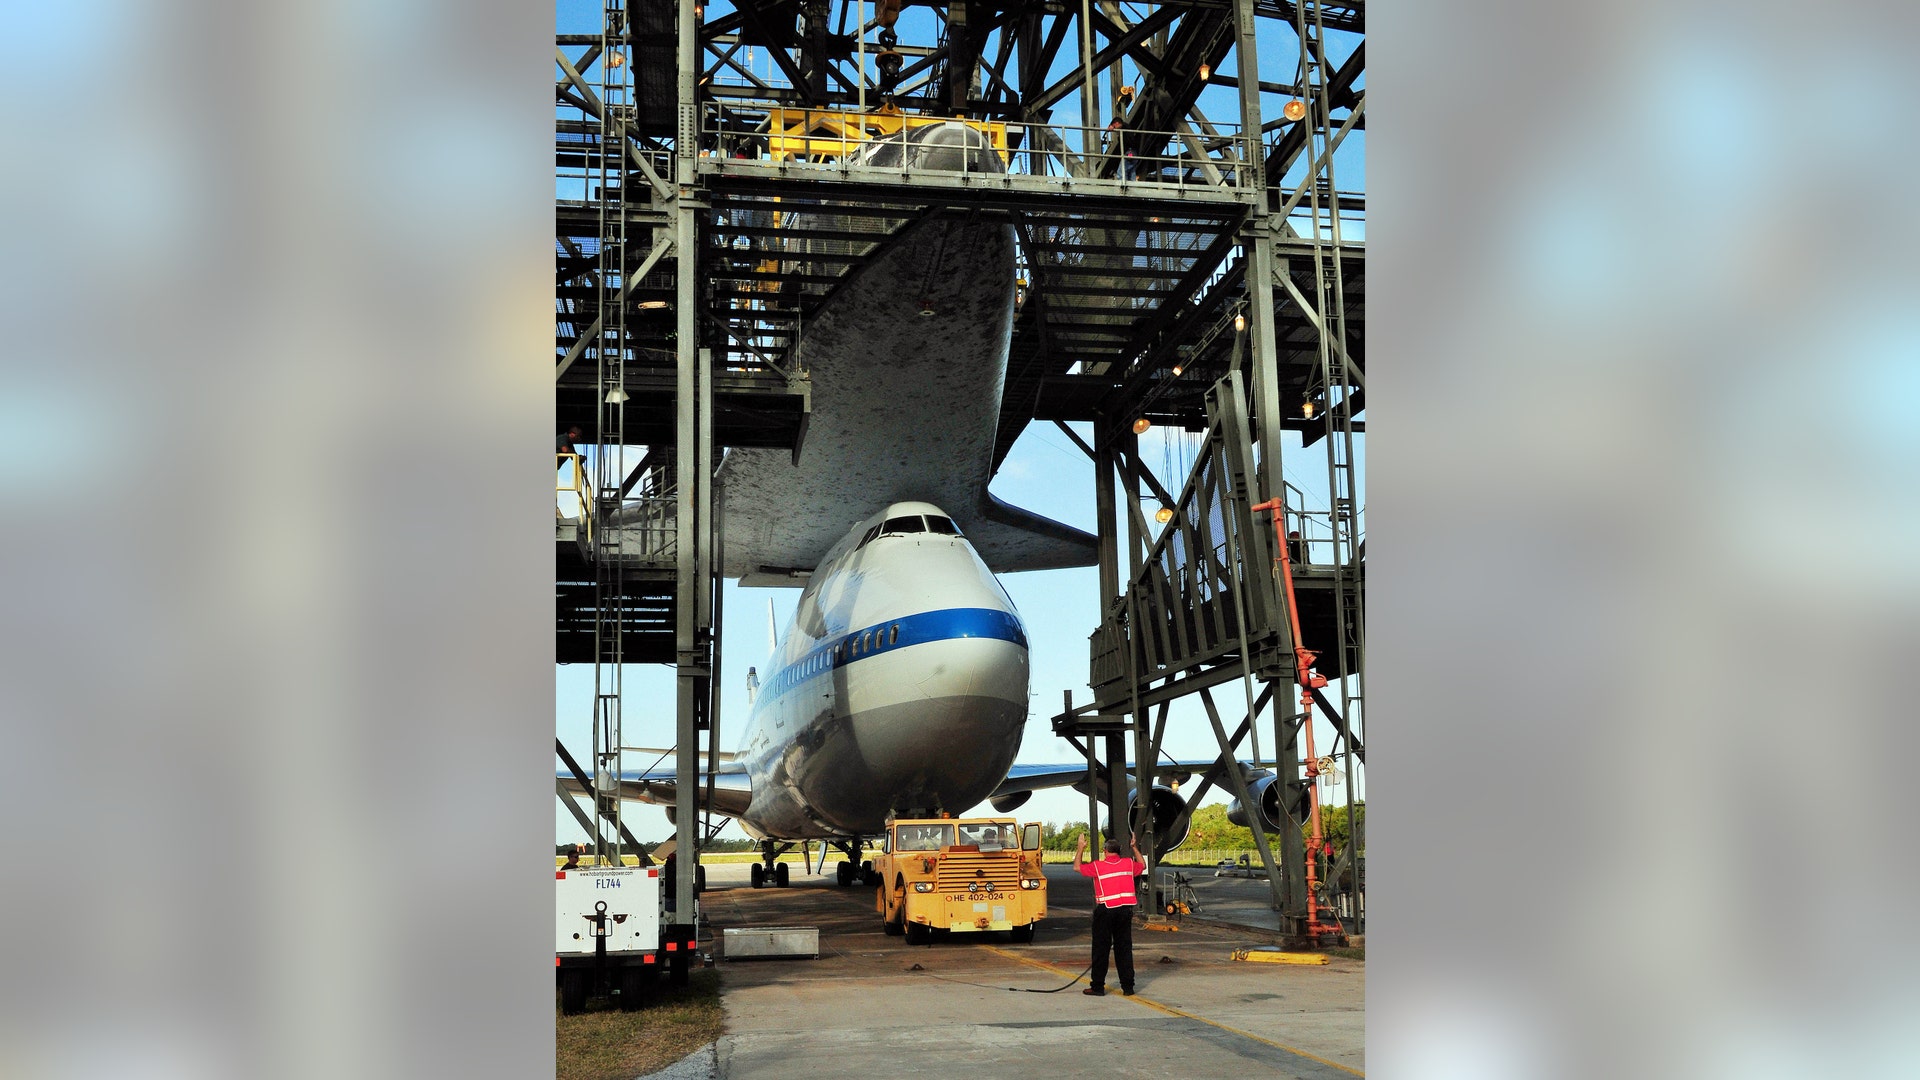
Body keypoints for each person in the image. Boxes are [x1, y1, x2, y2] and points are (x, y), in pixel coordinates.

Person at [1074, 832, 1145, 996]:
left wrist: (1080, 848)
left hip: (1105, 911)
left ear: (1105, 851)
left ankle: (1098, 986)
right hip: (1124, 912)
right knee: (1124, 949)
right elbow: (1142, 865)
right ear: (1119, 850)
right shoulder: (1128, 864)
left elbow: (1077, 867)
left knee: (1101, 949)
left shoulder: (1098, 866)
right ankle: (1128, 987)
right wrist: (1134, 848)